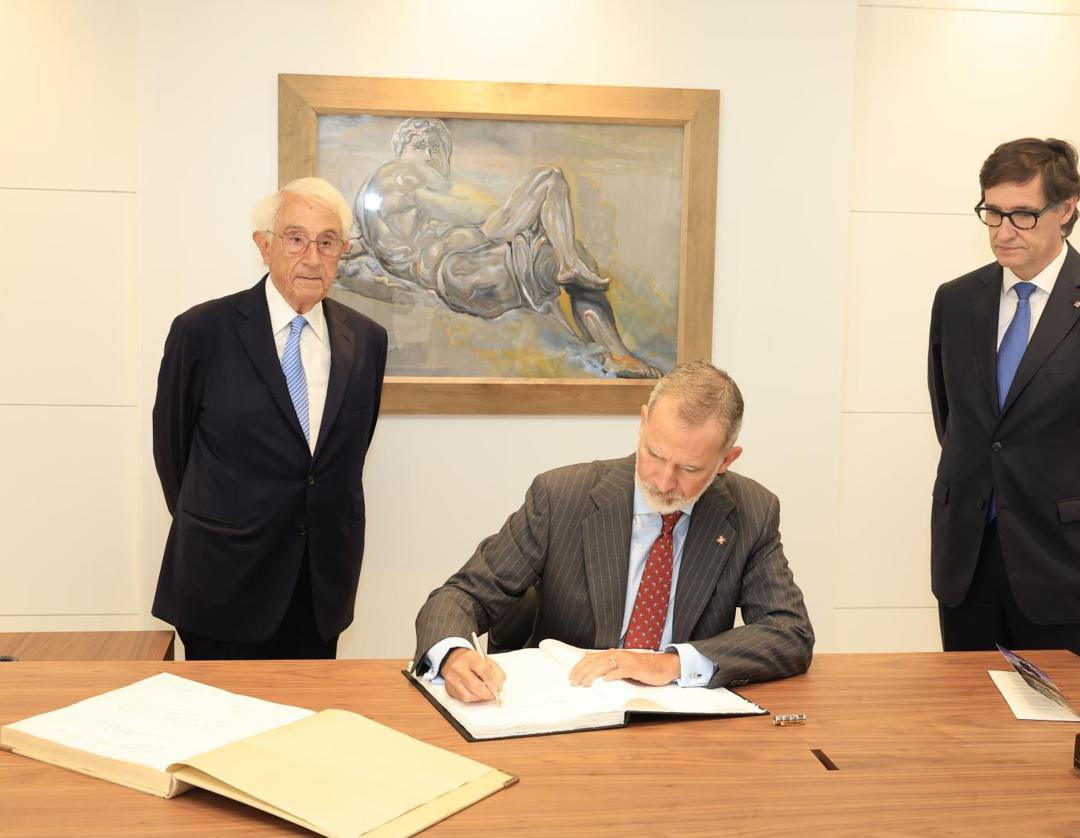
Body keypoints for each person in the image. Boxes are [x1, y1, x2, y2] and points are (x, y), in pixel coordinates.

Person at [414, 361, 814, 701]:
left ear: (727, 459)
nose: (664, 480)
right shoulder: (562, 497)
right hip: (569, 707)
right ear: (642, 423)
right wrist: (453, 654)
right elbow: (461, 595)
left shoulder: (750, 512)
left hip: (682, 719)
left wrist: (670, 663)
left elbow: (790, 633)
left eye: (689, 469)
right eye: (655, 454)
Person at [927, 138, 1080, 669]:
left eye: (1023, 214)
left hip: (1067, 561)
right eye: (992, 212)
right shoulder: (955, 300)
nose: (1003, 230)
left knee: (1058, 732)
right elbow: (955, 420)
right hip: (968, 559)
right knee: (968, 725)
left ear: (1066, 209)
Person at [152, 177, 388, 660]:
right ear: (264, 246)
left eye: (327, 243)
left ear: (342, 252)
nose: (313, 256)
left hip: (319, 586)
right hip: (222, 581)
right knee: (215, 730)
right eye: (296, 238)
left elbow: (342, 457)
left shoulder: (367, 340)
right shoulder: (202, 331)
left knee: (306, 731)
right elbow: (172, 451)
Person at [346, 117, 660, 379]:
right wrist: (502, 217)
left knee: (568, 258)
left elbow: (362, 249)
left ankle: (614, 350)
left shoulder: (375, 206)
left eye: (439, 150)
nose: (436, 158)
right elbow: (468, 212)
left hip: (469, 268)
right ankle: (580, 285)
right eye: (430, 148)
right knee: (549, 179)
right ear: (416, 148)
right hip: (461, 267)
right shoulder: (400, 174)